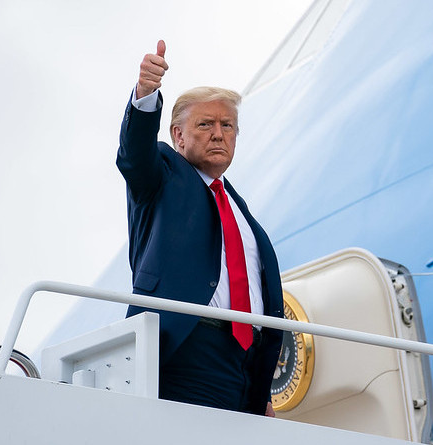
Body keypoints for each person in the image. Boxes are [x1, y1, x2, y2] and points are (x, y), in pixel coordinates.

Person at [117, 40, 283, 417]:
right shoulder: (163, 175)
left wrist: (262, 391)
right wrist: (145, 95)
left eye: (227, 125)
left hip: (245, 366)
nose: (218, 133)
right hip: (186, 349)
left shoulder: (242, 213)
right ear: (178, 136)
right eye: (205, 124)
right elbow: (134, 154)